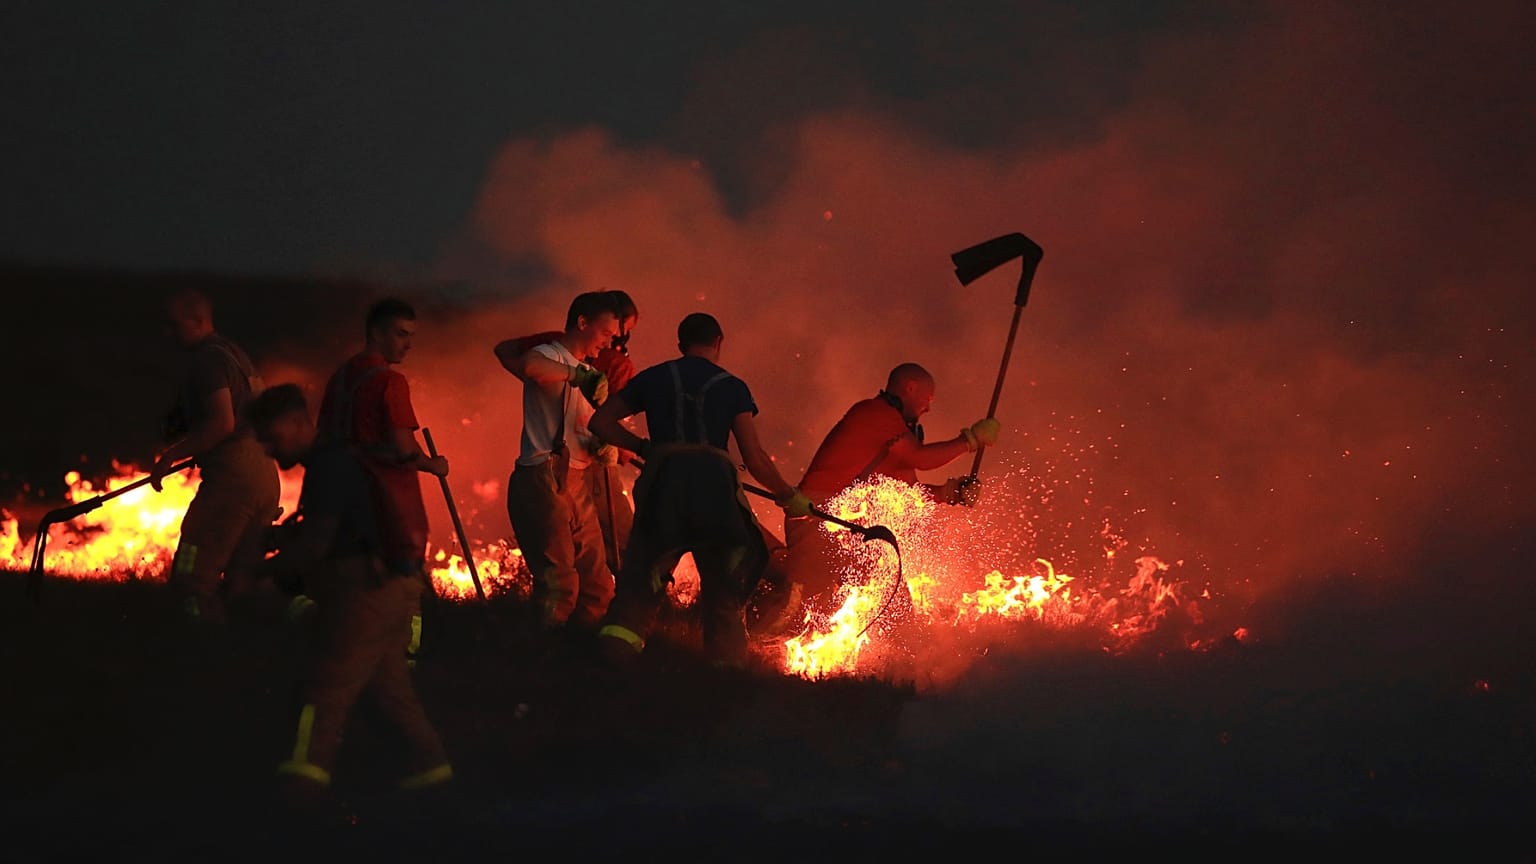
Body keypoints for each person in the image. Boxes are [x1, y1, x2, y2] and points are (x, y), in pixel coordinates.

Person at [248, 384, 452, 808]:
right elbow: (326, 529)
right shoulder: (336, 460)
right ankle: (430, 773)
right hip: (386, 590)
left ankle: (300, 791)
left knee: (324, 690)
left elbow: (317, 545)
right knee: (389, 690)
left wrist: (259, 571)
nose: (268, 449)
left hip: (366, 595)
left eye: (271, 436)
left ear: (295, 422)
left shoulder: (330, 466)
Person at [589, 312, 812, 669]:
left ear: (681, 345)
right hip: (716, 498)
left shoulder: (655, 377)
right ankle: (722, 686)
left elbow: (600, 422)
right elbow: (753, 457)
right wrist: (788, 495)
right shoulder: (732, 386)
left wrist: (645, 448)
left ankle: (609, 670)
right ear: (718, 343)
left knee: (638, 591)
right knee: (724, 596)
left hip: (663, 491)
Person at [758, 363, 1000, 630]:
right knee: (797, 601)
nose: (928, 408)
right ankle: (754, 649)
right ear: (910, 388)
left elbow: (909, 490)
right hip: (818, 517)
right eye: (928, 399)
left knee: (888, 591)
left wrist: (950, 493)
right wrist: (970, 441)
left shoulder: (895, 436)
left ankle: (899, 658)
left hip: (842, 525)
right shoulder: (875, 413)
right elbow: (919, 457)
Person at [315, 298, 449, 667]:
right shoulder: (390, 381)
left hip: (341, 500)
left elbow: (324, 437)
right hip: (386, 503)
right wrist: (433, 464)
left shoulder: (341, 377)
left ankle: (341, 649)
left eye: (411, 336)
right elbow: (403, 448)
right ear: (376, 332)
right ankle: (402, 658)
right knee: (404, 591)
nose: (407, 344)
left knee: (349, 588)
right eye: (401, 334)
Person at [153, 288, 281, 625]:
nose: (167, 333)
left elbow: (222, 422)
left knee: (193, 572)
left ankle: (192, 641)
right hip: (265, 476)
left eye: (173, 325)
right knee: (243, 577)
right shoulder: (233, 354)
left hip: (233, 478)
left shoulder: (207, 361)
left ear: (198, 321)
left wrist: (171, 456)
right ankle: (250, 646)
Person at [501, 291, 624, 640]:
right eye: (605, 333)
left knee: (599, 586)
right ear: (582, 323)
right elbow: (529, 368)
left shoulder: (591, 373)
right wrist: (577, 378)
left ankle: (577, 654)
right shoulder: (549, 355)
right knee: (560, 585)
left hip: (578, 482)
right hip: (543, 477)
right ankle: (544, 659)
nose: (609, 341)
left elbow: (584, 429)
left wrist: (603, 444)